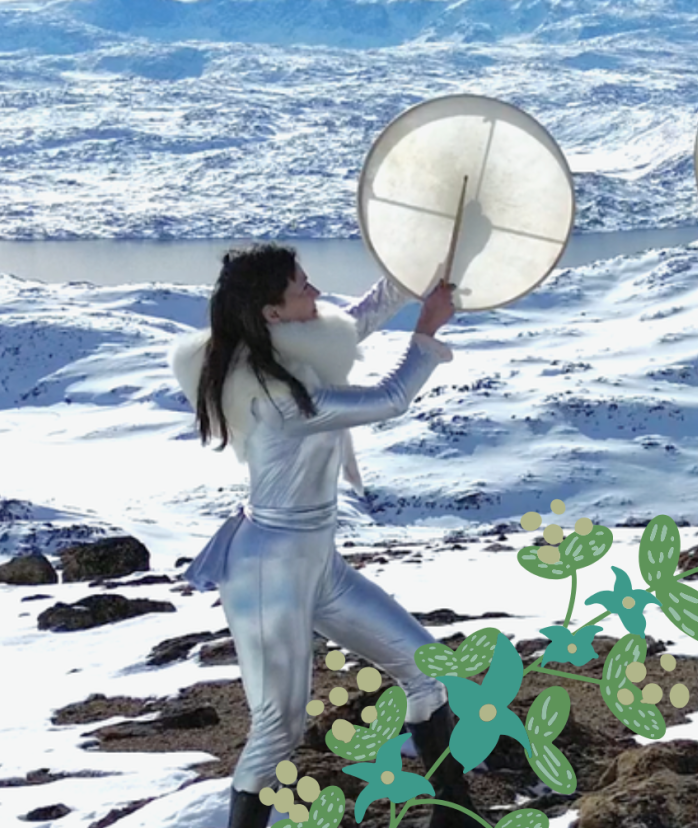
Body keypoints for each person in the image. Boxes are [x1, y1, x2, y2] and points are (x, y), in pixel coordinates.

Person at [168, 244, 481, 828]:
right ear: (272, 312)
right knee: (277, 729)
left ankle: (454, 814)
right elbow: (388, 399)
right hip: (269, 572)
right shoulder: (275, 394)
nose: (315, 293)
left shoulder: (283, 348)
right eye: (302, 287)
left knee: (428, 672)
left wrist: (409, 279)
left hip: (317, 563)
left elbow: (351, 323)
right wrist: (427, 332)